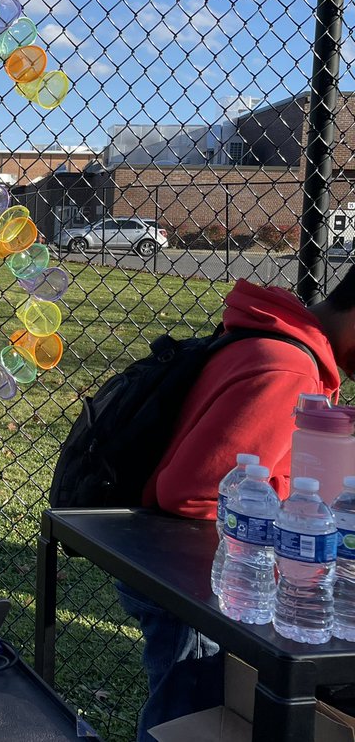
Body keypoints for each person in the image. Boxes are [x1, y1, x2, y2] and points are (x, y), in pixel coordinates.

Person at [120, 276, 345, 741]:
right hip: (203, 587)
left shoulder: (279, 342)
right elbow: (192, 493)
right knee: (189, 721)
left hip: (180, 568)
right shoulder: (290, 367)